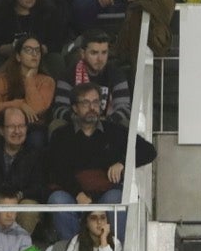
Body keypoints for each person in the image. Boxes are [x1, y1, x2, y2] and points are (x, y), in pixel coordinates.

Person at [44, 82, 155, 241]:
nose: (92, 107)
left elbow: (149, 150)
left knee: (116, 198)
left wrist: (123, 162)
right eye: (86, 103)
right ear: (75, 107)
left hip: (106, 192)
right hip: (73, 193)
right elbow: (58, 170)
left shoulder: (114, 130)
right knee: (57, 200)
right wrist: (78, 194)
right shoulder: (61, 135)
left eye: (96, 102)